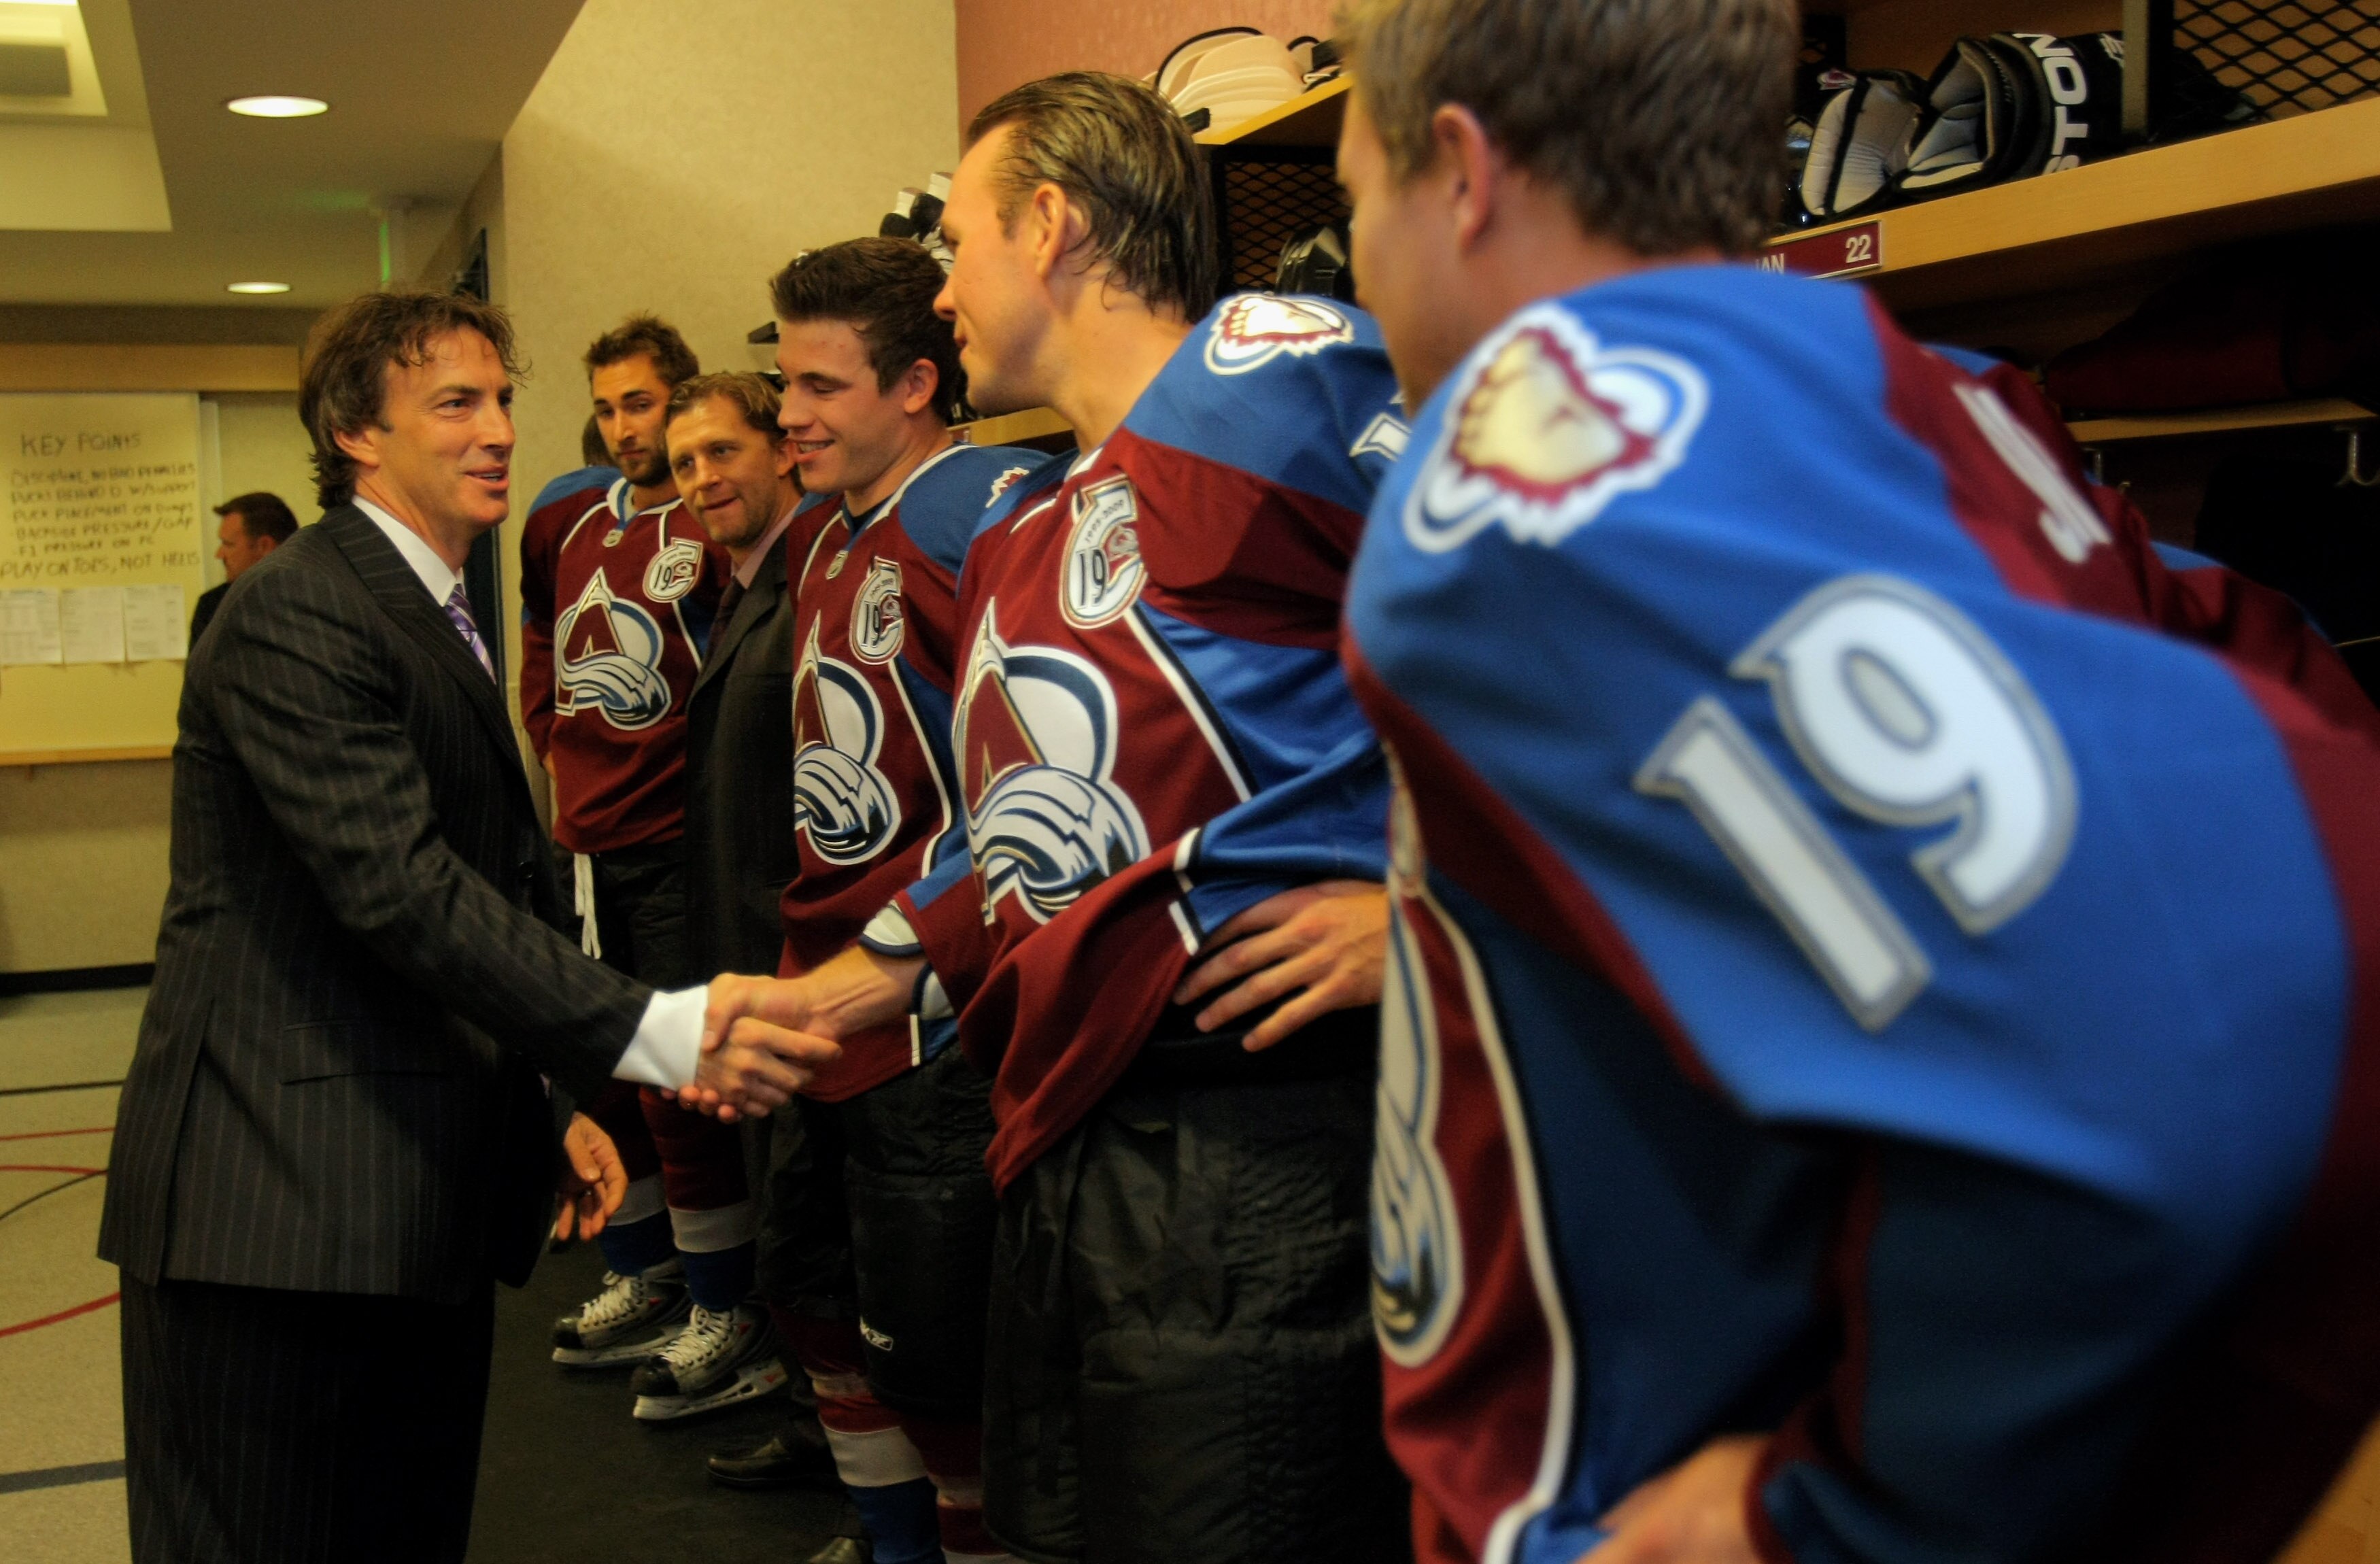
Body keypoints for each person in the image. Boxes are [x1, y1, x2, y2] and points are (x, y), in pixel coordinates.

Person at [1327, 3, 2380, 1562]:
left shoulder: (1532, 462)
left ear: (1464, 175)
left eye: (1354, 195)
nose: (1354, 256)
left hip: (1667, 1458)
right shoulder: (1935, 386)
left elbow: (2188, 1009)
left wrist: (1831, 1515)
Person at [702, 75, 1411, 1564]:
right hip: (1071, 1140)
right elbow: (1023, 825)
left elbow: (1577, 613)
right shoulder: (1032, 520)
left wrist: (1436, 910)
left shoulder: (1273, 379)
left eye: (959, 241)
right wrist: (847, 987)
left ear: (1051, 223)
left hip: (1256, 1134)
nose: (941, 288)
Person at [97, 288, 828, 1564]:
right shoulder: (300, 610)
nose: (498, 429)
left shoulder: (426, 604)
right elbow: (398, 887)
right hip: (272, 1223)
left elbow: (468, 893)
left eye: (500, 398)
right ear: (355, 433)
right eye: (455, 403)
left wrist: (545, 1109)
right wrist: (658, 1031)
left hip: (389, 1207)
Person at [756, 236, 1047, 1564]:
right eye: (786, 382)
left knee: (943, 1368)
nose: (789, 414)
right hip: (829, 1014)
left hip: (930, 1025)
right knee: (819, 1311)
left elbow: (1034, 781)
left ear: (917, 383)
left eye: (821, 384)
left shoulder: (976, 508)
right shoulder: (832, 536)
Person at [526, 318, 777, 1423]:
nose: (630, 428)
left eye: (647, 405)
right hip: (587, 845)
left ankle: (727, 1303)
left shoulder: (713, 516)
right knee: (596, 1069)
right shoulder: (566, 513)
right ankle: (648, 1269)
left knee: (689, 1081)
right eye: (612, 405)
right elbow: (542, 636)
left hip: (678, 845)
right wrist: (546, 741)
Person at [661, 369, 843, 1498]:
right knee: (790, 1233)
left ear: (781, 451)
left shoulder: (824, 580)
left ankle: (868, 1486)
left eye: (723, 452)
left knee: (824, 1248)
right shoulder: (731, 592)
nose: (703, 478)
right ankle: (819, 1431)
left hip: (813, 974)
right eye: (686, 464)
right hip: (745, 968)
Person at [189, 490, 299, 644]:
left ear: (264, 546)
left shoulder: (313, 600)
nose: (219, 555)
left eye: (228, 544)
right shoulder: (212, 607)